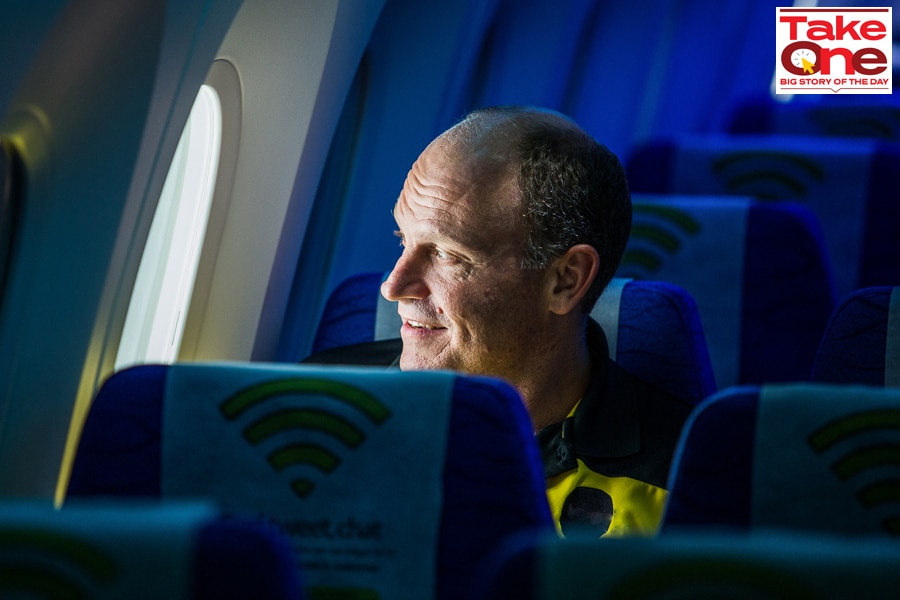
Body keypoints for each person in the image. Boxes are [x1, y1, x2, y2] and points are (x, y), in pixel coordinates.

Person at [304, 106, 692, 537]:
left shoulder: (688, 483)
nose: (393, 287)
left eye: (448, 254)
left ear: (565, 280)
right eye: (404, 240)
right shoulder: (308, 411)